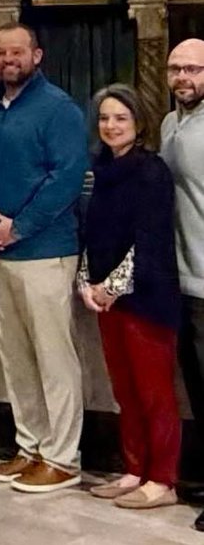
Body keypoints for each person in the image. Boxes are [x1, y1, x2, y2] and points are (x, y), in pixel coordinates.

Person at [0, 23, 88, 493]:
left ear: (36, 55)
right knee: (14, 357)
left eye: (17, 51)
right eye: (0, 52)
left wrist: (18, 227)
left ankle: (62, 456)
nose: (7, 59)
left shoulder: (59, 109)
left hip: (46, 251)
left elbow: (67, 177)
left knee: (53, 357)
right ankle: (31, 445)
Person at [79, 85, 181, 510]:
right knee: (125, 389)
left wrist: (111, 287)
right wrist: (87, 283)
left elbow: (149, 240)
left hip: (147, 299)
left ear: (138, 123)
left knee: (155, 393)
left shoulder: (151, 171)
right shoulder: (100, 169)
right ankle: (135, 470)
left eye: (120, 118)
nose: (110, 126)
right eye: (104, 118)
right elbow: (92, 233)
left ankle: (163, 479)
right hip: (108, 300)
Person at [159, 37, 204, 530]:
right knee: (195, 388)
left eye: (193, 69)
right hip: (182, 279)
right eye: (175, 68)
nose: (182, 78)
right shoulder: (172, 123)